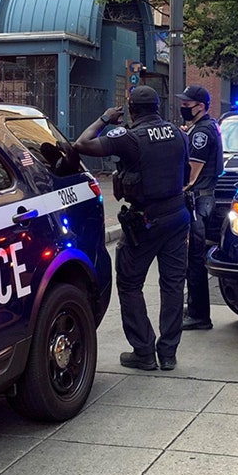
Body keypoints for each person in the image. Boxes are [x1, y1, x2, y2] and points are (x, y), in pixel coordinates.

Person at [73, 85, 190, 371]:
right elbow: (185, 172)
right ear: (158, 108)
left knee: (129, 283)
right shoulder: (179, 134)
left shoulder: (130, 138)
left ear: (132, 109)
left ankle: (144, 351)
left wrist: (104, 118)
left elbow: (81, 144)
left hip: (145, 221)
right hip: (177, 216)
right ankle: (169, 354)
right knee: (173, 285)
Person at [176, 85, 223, 331]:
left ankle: (199, 316)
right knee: (193, 258)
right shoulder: (207, 126)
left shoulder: (201, 133)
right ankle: (195, 307)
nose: (183, 108)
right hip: (205, 199)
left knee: (193, 259)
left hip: (198, 200)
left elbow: (190, 176)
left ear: (200, 106)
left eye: (187, 105)